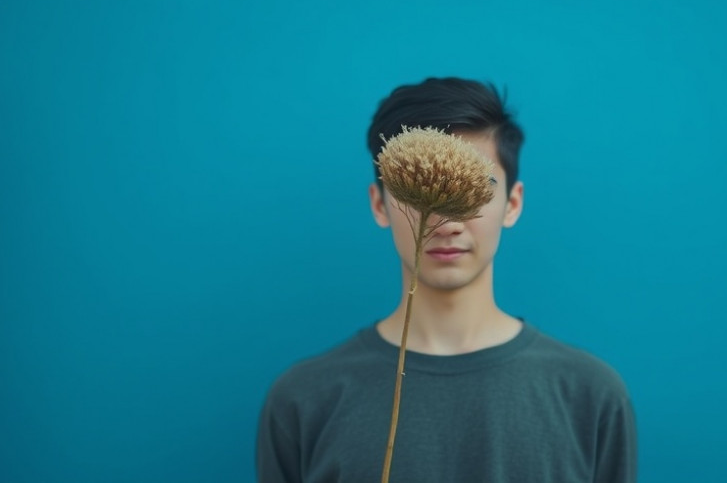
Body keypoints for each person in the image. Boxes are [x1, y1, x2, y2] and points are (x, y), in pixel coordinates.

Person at [256, 77, 637, 483]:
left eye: (475, 189)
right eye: (416, 189)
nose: (446, 221)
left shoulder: (591, 397)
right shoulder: (304, 400)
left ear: (512, 203)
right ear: (379, 204)